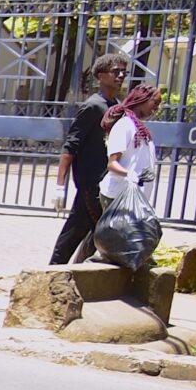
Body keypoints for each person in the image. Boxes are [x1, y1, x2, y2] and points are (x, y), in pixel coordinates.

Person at [50, 56, 129, 264]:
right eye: (115, 71)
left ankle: (67, 270)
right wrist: (59, 185)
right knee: (90, 230)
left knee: (86, 231)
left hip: (106, 181)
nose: (121, 75)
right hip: (90, 181)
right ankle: (54, 271)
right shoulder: (93, 106)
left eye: (123, 71)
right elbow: (70, 146)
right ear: (101, 76)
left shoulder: (117, 107)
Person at [103, 81, 162, 210]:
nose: (157, 108)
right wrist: (130, 174)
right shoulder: (124, 125)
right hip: (119, 196)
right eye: (155, 103)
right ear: (142, 99)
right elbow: (112, 164)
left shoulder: (139, 127)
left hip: (135, 198)